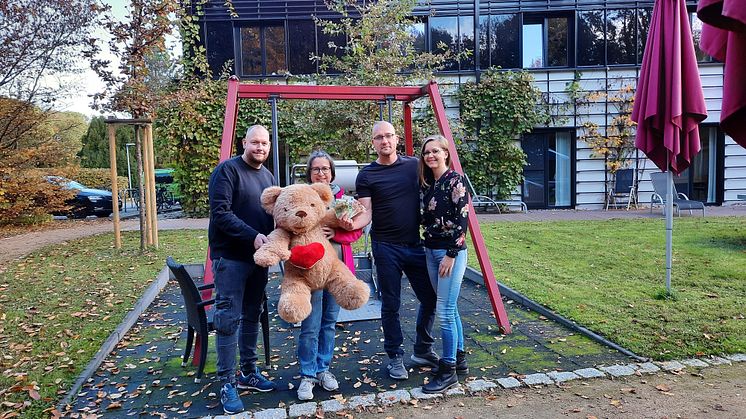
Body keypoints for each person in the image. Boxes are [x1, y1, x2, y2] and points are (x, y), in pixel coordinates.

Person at [341, 121, 438, 380]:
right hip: (385, 247)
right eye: (379, 138)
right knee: (391, 304)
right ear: (372, 143)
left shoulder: (413, 167)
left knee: (430, 298)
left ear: (397, 139)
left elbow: (438, 180)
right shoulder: (367, 175)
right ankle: (395, 357)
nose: (385, 141)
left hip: (415, 245)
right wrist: (351, 226)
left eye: (389, 136)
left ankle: (422, 349)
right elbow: (366, 212)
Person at [208, 124, 277, 415]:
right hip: (232, 260)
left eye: (264, 143)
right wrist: (253, 236)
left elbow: (276, 216)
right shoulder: (227, 171)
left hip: (258, 260)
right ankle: (227, 382)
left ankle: (249, 371)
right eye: (255, 143)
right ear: (243, 143)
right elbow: (220, 213)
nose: (260, 148)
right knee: (228, 319)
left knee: (253, 315)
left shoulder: (269, 176)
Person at [296, 150, 364, 401]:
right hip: (311, 272)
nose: (321, 173)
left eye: (325, 169)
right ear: (309, 173)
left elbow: (356, 232)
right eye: (316, 169)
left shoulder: (343, 200)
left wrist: (335, 235)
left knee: (328, 323)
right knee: (310, 325)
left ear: (332, 172)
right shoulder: (302, 199)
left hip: (337, 271)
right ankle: (307, 374)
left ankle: (323, 369)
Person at [418, 134, 469, 393]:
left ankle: (448, 370)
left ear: (446, 154)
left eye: (435, 151)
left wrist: (451, 254)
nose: (431, 156)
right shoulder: (429, 185)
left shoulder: (455, 181)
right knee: (451, 307)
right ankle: (459, 359)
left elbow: (462, 222)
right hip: (431, 250)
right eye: (427, 152)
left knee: (445, 311)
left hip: (451, 254)